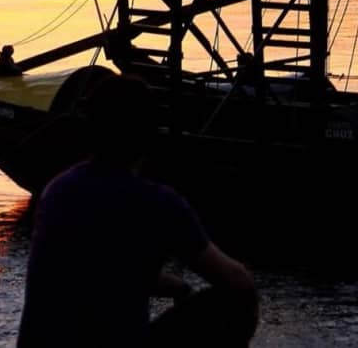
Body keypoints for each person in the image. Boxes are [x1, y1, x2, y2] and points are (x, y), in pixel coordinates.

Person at [17, 74, 258, 348]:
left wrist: (178, 286)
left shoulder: (56, 191)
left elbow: (103, 272)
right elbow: (238, 282)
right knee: (236, 299)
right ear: (149, 136)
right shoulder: (158, 203)